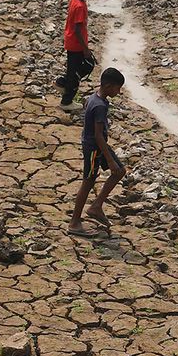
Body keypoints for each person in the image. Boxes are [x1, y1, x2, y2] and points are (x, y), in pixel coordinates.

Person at [69, 67, 127, 237]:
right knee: (88, 182)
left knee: (120, 171)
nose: (118, 91)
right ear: (109, 86)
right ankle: (74, 222)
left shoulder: (94, 98)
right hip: (94, 147)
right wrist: (109, 160)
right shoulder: (100, 106)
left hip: (97, 144)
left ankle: (96, 206)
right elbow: (97, 135)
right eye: (117, 88)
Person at [57, 0, 98, 111]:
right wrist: (85, 49)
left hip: (71, 42)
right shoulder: (80, 6)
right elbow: (78, 30)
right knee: (85, 67)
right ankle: (66, 99)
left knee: (73, 70)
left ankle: (63, 83)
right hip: (76, 45)